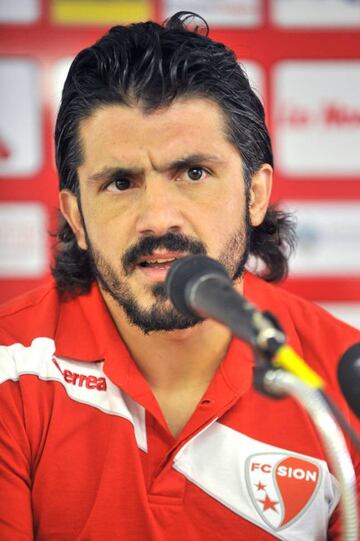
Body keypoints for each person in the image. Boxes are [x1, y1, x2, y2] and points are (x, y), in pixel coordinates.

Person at [0, 11, 358, 541]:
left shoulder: (337, 385)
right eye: (120, 182)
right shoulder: (10, 361)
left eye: (194, 173)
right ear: (75, 217)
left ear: (254, 195)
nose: (158, 218)